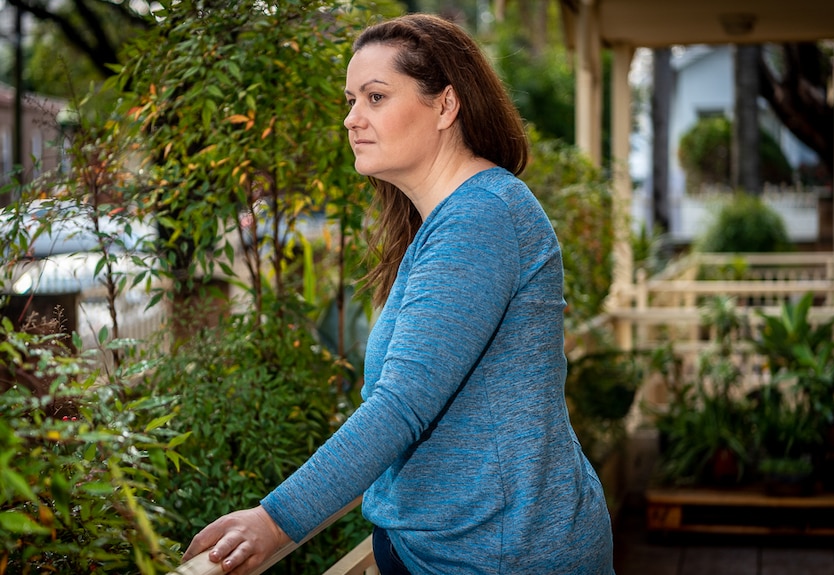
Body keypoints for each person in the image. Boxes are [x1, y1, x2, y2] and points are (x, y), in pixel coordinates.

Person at [182, 13, 615, 575]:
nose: (351, 119)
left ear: (445, 105)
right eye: (350, 99)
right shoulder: (450, 219)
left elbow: (400, 406)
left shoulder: (481, 218)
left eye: (375, 97)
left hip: (501, 555)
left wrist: (273, 520)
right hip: (453, 546)